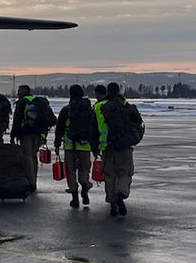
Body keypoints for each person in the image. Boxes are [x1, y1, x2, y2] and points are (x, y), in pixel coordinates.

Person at [96, 82, 143, 217]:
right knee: (124, 173)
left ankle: (112, 202)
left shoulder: (100, 107)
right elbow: (137, 123)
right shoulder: (126, 105)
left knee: (110, 175)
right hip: (125, 146)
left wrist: (95, 147)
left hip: (107, 147)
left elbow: (94, 129)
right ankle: (120, 194)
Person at [54, 83, 96, 208]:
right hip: (85, 146)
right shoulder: (89, 110)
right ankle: (85, 184)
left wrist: (57, 144)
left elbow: (59, 129)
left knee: (70, 171)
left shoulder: (66, 110)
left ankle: (74, 197)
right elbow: (94, 129)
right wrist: (95, 147)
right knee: (84, 169)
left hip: (69, 145)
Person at [11, 84, 55, 193]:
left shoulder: (22, 102)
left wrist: (13, 135)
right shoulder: (38, 101)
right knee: (33, 156)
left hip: (26, 133)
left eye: (19, 91)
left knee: (27, 157)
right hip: (38, 133)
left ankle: (30, 182)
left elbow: (17, 120)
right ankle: (34, 179)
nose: (18, 93)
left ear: (24, 91)